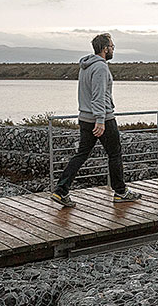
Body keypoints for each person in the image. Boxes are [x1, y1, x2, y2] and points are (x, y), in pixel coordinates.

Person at [51, 32, 142, 207]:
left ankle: (61, 190)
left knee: (81, 154)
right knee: (114, 154)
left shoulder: (85, 66)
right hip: (102, 119)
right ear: (104, 48)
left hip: (85, 118)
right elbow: (98, 96)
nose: (113, 49)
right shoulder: (100, 67)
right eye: (112, 46)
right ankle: (121, 192)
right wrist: (100, 120)